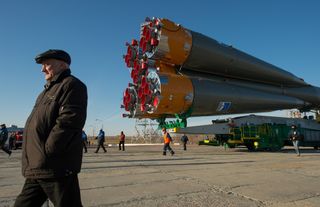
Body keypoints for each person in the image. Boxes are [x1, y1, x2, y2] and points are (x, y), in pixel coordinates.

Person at [14, 49, 87, 207]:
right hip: (38, 166)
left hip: (55, 167)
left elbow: (69, 121)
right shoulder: (45, 92)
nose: (42, 69)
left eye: (47, 64)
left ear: (62, 65)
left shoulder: (72, 85)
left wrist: (49, 151)